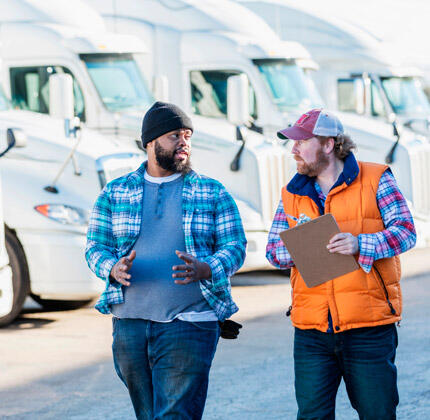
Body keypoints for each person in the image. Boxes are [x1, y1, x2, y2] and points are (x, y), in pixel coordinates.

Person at [85, 101, 246, 420]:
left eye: (188, 135)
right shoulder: (115, 192)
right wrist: (112, 268)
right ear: (151, 142)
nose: (184, 142)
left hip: (189, 322)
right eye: (175, 135)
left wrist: (206, 268)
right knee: (148, 414)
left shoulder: (211, 191)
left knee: (174, 415)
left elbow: (235, 246)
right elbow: (95, 247)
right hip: (129, 324)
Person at [266, 109, 416, 420]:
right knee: (312, 416)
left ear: (328, 144)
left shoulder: (376, 178)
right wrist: (298, 248)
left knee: (378, 414)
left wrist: (362, 243)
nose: (292, 149)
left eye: (301, 142)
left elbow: (406, 232)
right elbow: (273, 252)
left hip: (368, 327)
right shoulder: (291, 192)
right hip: (312, 330)